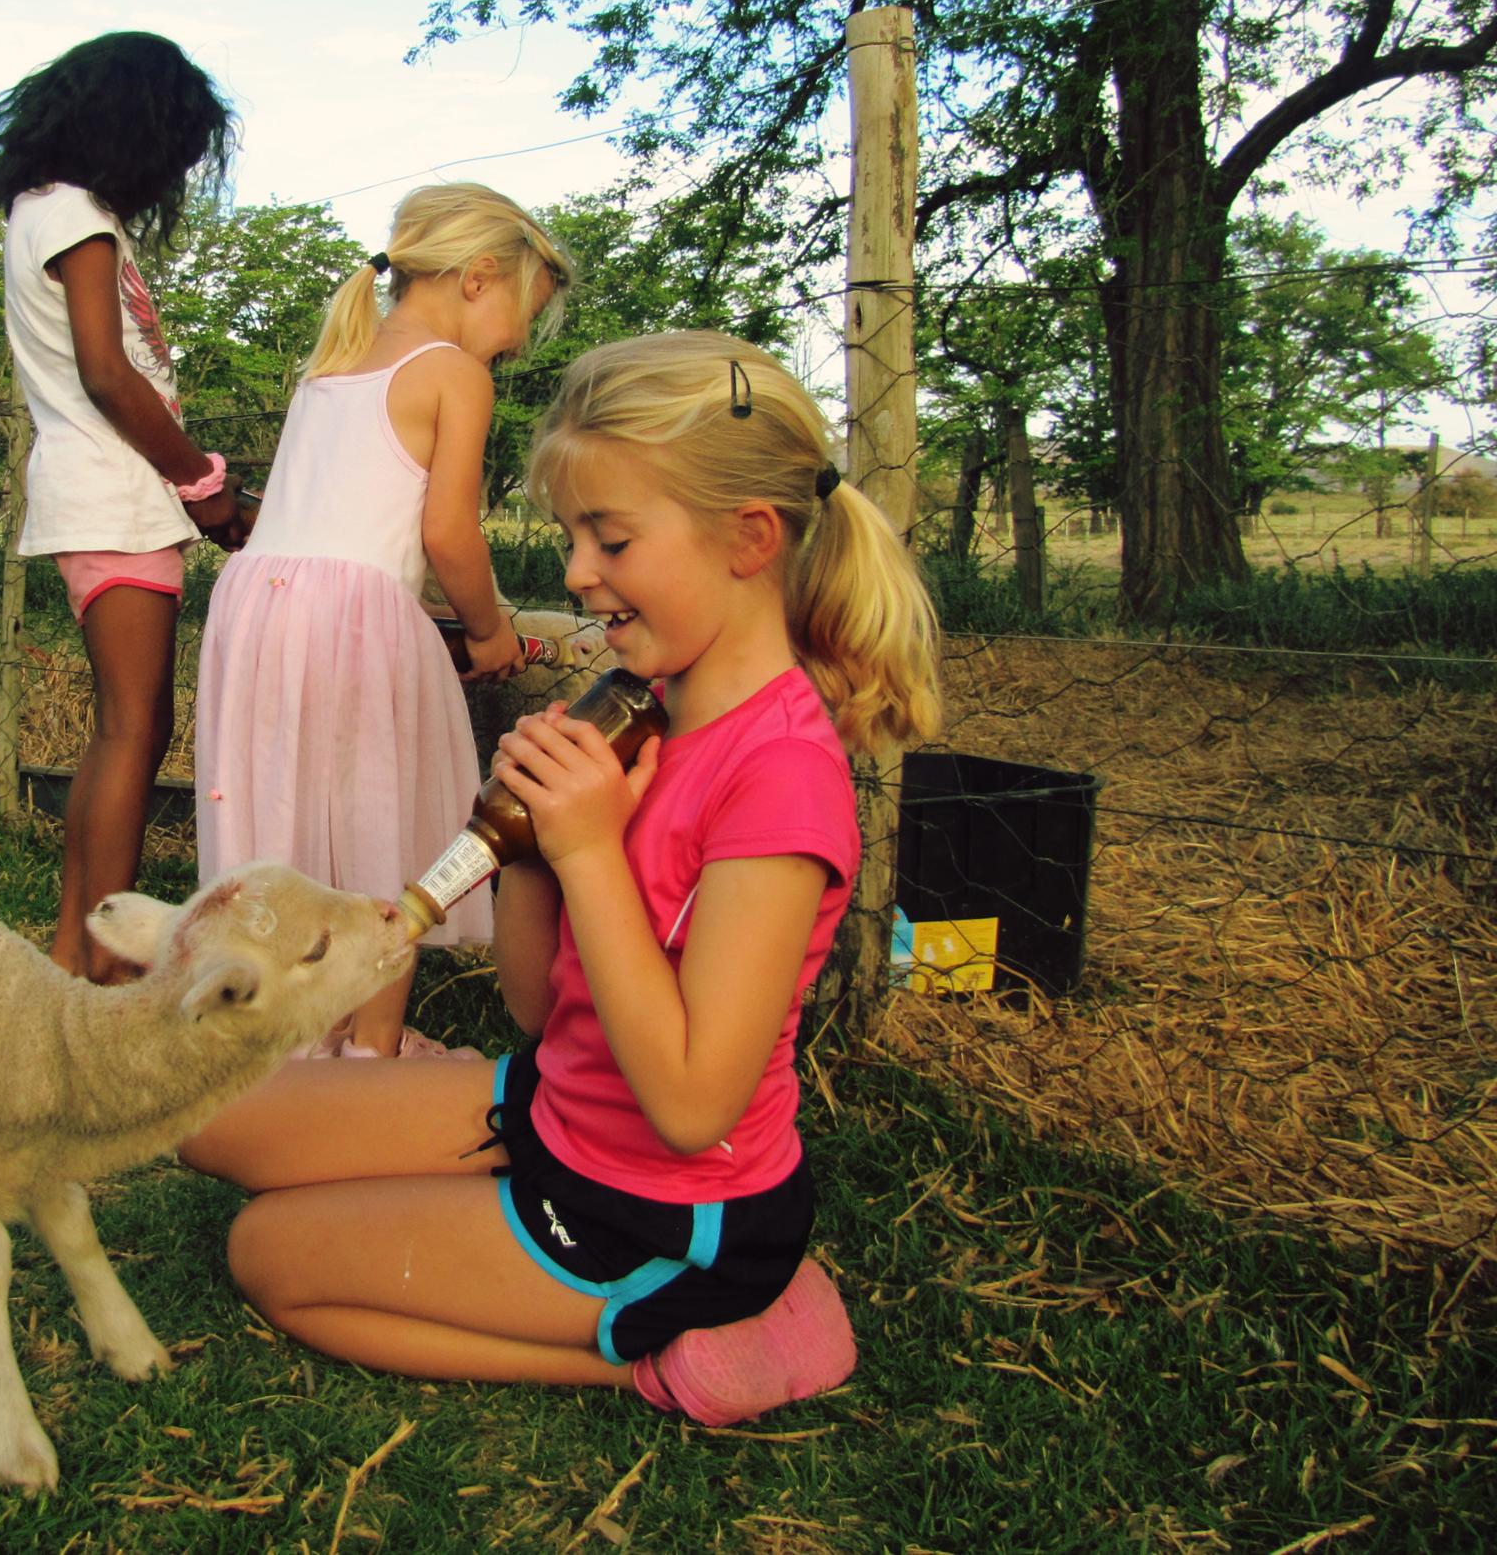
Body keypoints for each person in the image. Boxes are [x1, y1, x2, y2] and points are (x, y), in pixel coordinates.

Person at [181, 331, 942, 1423]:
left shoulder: (779, 779)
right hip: (552, 1108)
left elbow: (687, 1103)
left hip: (653, 1204)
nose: (578, 572)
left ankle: (697, 1349)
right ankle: (473, 1215)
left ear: (747, 539)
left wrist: (588, 851)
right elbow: (541, 1008)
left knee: (266, 1256)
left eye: (612, 539)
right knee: (213, 1120)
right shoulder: (650, 709)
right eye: (573, 535)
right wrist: (534, 849)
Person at [194, 183, 574, 1058]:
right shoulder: (454, 372)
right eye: (524, 316)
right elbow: (446, 532)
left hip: (259, 611)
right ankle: (373, 1047)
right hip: (354, 622)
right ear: (480, 277)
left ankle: (286, 1034)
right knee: (380, 824)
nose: (515, 344)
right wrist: (488, 631)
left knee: (287, 816)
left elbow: (347, 529)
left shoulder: (334, 363)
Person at [0, 31, 246, 982]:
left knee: (121, 727)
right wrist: (201, 485)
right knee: (137, 726)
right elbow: (106, 375)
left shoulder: (58, 212)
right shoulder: (72, 215)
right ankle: (110, 964)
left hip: (111, 493)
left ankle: (74, 949)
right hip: (113, 491)